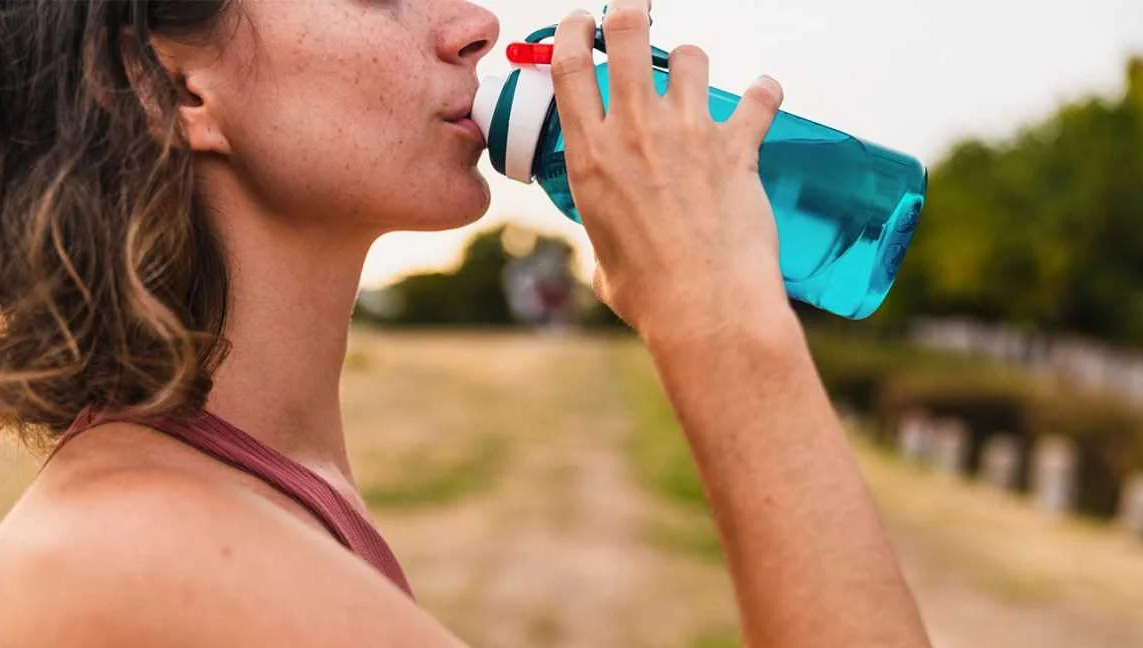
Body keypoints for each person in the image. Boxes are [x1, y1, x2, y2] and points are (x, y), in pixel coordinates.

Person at [0, 0, 932, 645]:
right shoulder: (146, 551)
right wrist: (720, 322)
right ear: (174, 89)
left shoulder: (242, 484)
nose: (475, 26)